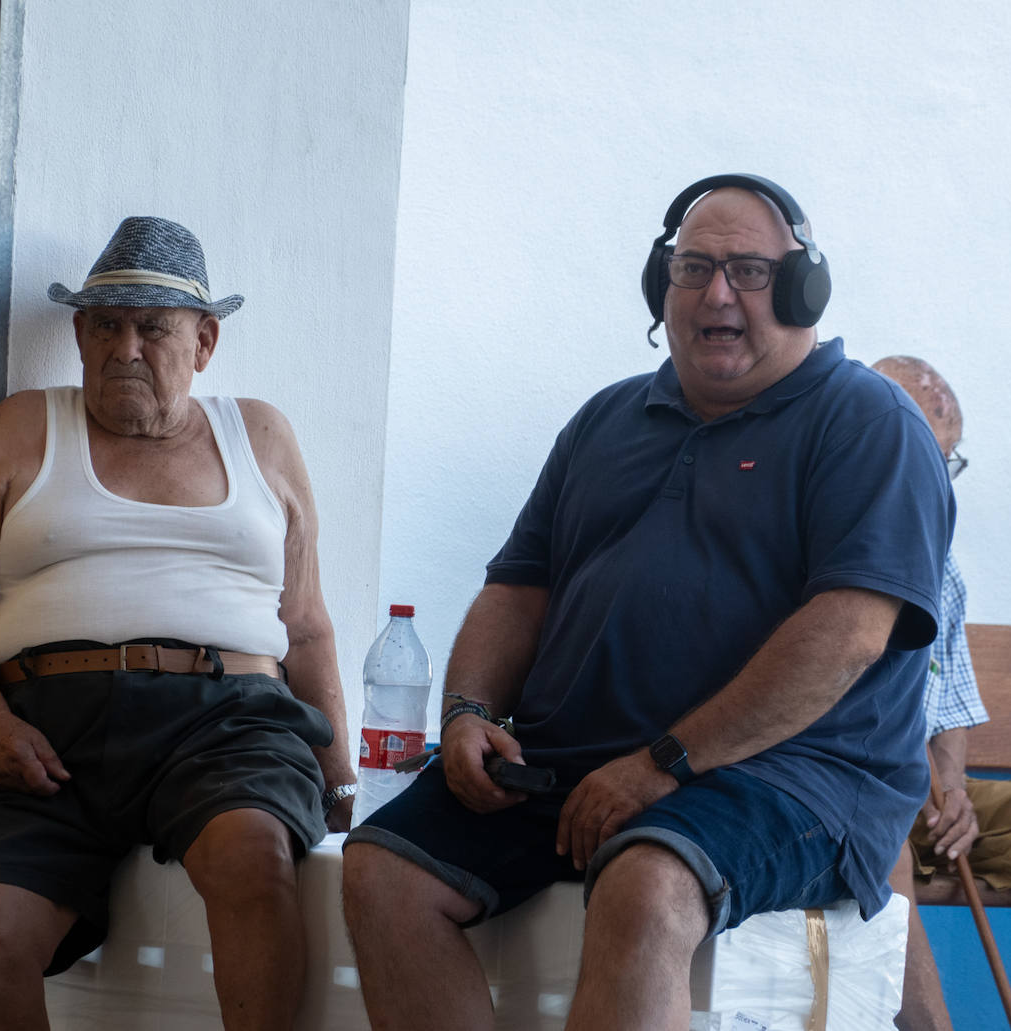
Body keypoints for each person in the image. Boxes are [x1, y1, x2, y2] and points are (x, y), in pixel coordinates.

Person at [341, 174, 955, 1030]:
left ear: (802, 288)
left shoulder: (867, 421)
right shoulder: (606, 420)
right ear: (656, 287)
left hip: (792, 778)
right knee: (384, 870)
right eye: (692, 268)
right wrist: (468, 710)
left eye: (747, 271)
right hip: (581, 762)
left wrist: (664, 762)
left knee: (648, 881)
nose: (715, 294)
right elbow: (517, 588)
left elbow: (848, 631)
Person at [0, 216, 358, 1031]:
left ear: (204, 343)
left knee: (251, 858)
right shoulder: (21, 427)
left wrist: (339, 776)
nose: (125, 347)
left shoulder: (258, 434)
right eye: (105, 324)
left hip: (229, 722)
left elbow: (305, 624)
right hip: (47, 732)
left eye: (152, 328)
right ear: (81, 335)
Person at [875, 355, 1011, 1031]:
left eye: (948, 462)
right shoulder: (828, 537)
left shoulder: (943, 565)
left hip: (923, 789)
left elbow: (950, 697)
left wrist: (956, 787)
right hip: (853, 789)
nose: (937, 482)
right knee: (876, 841)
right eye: (924, 459)